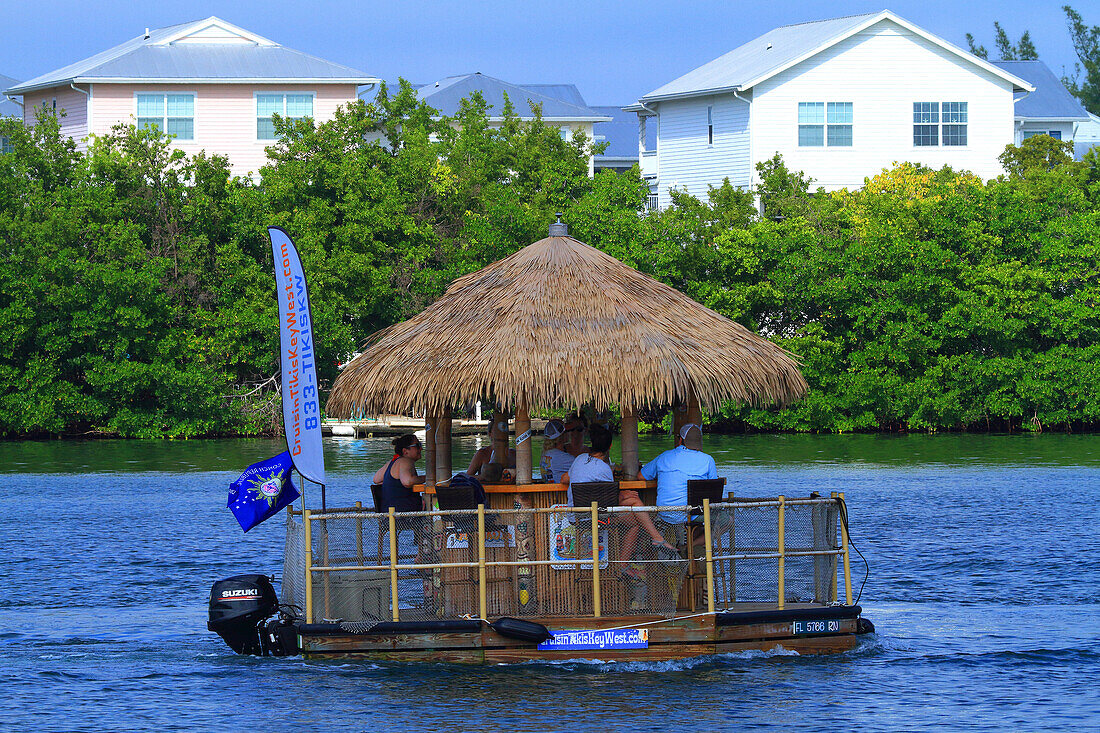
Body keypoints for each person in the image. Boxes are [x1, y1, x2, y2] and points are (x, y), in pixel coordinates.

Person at [640, 423, 719, 526]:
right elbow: (715, 489)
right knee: (726, 520)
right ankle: (695, 542)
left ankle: (689, 542)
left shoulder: (664, 457)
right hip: (693, 514)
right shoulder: (708, 460)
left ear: (680, 440)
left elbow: (641, 476)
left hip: (665, 513)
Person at [560, 424, 614, 505]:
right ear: (610, 446)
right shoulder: (605, 469)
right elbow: (609, 498)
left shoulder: (580, 458)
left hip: (574, 515)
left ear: (592, 443)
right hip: (596, 516)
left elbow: (564, 479)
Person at [372, 434, 426, 512]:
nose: (421, 448)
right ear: (405, 451)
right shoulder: (406, 461)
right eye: (417, 445)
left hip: (387, 516)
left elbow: (376, 480)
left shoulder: (393, 461)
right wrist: (427, 478)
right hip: (405, 518)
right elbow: (407, 482)